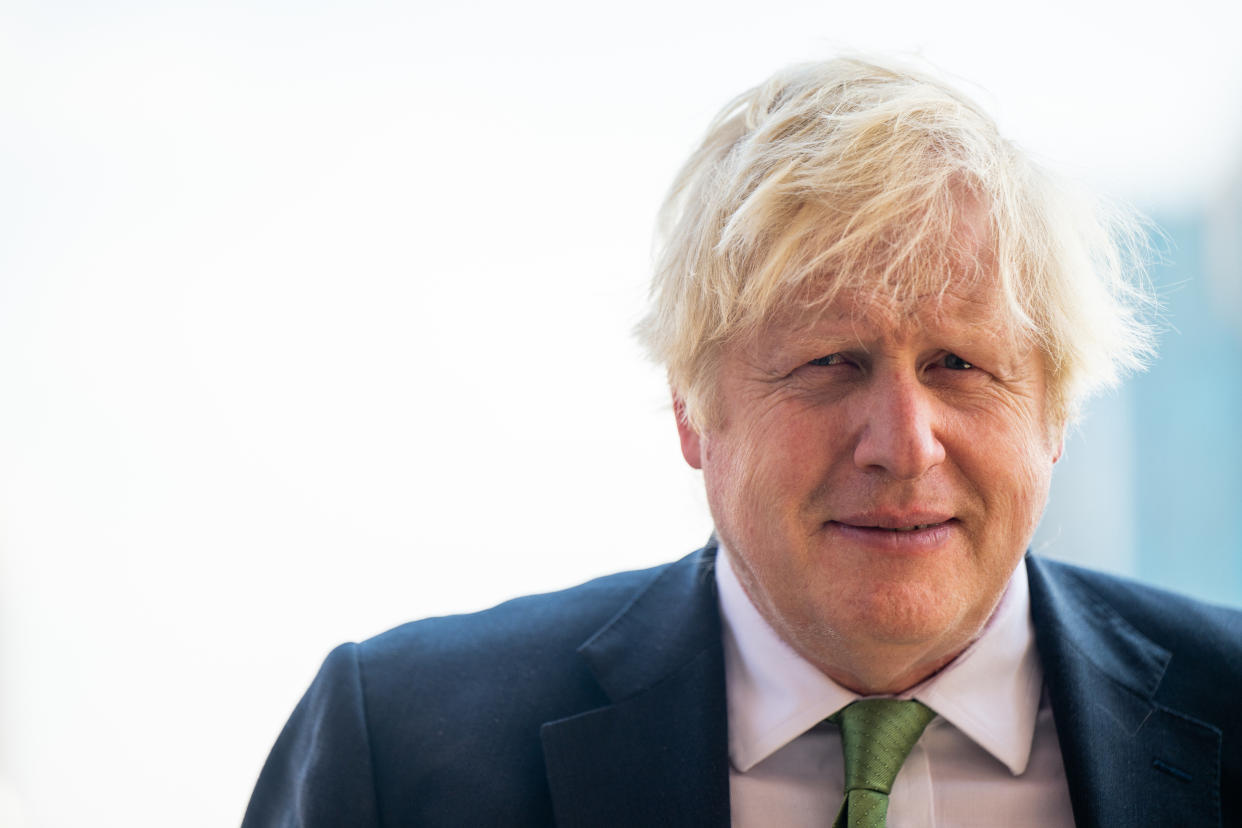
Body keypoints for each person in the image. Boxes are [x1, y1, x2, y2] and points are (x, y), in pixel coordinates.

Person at [242, 56, 1242, 827]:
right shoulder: (407, 751)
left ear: (1056, 410)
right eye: (830, 363)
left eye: (958, 366)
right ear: (691, 408)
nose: (903, 444)